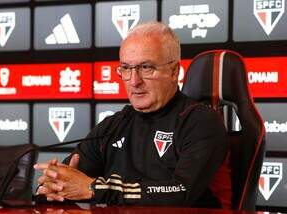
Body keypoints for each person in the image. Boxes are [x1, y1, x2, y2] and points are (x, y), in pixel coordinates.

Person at [34, 21, 231, 208]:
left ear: (174, 72)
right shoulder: (113, 126)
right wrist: (54, 187)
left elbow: (180, 192)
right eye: (126, 68)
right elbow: (64, 182)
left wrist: (94, 188)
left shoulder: (201, 122)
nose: (134, 81)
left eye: (146, 67)